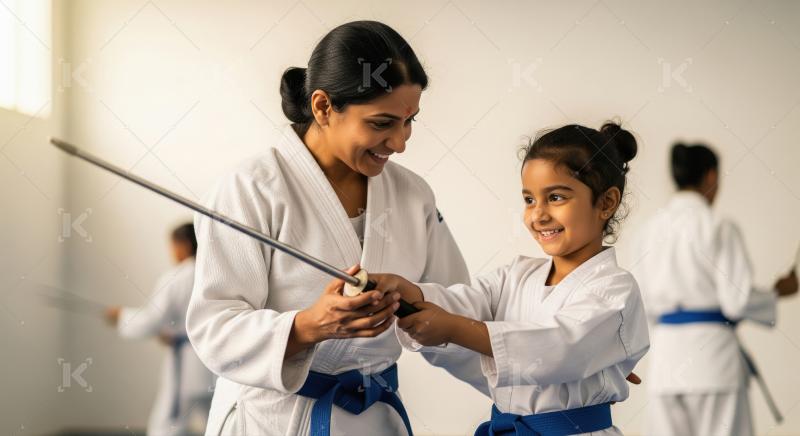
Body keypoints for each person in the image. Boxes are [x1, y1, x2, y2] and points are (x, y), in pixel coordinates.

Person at [185, 21, 486, 436]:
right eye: (382, 123)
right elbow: (215, 328)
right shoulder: (250, 189)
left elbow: (457, 310)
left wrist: (535, 398)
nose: (400, 143)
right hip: (273, 421)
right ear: (324, 107)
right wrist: (309, 326)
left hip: (374, 418)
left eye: (409, 121)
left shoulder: (413, 195)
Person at [373, 122, 650, 435]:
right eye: (529, 199)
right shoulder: (516, 275)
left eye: (556, 197)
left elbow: (557, 348)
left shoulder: (615, 289)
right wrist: (409, 295)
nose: (538, 215)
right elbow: (464, 303)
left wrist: (451, 326)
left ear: (606, 202)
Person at [633, 142, 798, 436]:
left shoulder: (649, 230)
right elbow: (736, 301)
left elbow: (641, 303)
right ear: (710, 176)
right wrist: (776, 293)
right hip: (714, 365)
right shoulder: (718, 225)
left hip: (666, 363)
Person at [106, 223, 215, 436]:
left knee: (167, 424)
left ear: (183, 245)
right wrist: (172, 333)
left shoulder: (177, 277)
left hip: (187, 364)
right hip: (214, 362)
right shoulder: (213, 272)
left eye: (172, 245)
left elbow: (152, 319)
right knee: (216, 421)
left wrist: (122, 316)